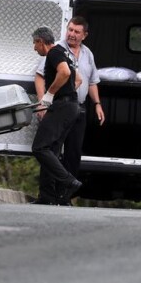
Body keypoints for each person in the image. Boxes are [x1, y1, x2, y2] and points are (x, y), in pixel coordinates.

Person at [33, 16, 105, 181]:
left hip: (77, 108)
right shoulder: (56, 49)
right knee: (52, 150)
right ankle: (49, 193)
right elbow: (39, 77)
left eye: (76, 32)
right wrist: (43, 102)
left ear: (84, 35)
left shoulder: (88, 54)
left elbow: (92, 81)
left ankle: (65, 195)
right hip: (58, 107)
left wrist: (97, 104)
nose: (72, 34)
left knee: (73, 152)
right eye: (70, 29)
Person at [30, 26, 83, 205]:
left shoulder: (54, 53)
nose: (34, 48)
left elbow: (66, 73)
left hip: (62, 107)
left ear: (41, 41)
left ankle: (69, 182)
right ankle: (46, 196)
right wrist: (66, 93)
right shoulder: (65, 53)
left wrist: (50, 95)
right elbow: (78, 80)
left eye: (34, 43)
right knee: (51, 150)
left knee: (39, 148)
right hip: (71, 106)